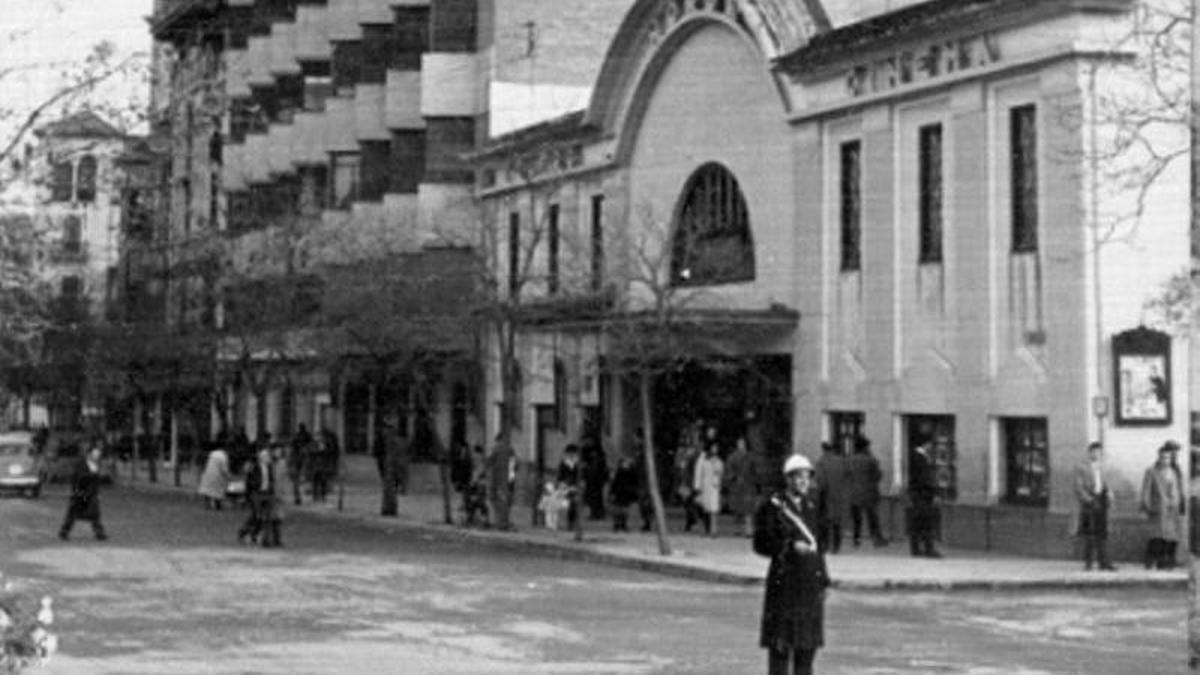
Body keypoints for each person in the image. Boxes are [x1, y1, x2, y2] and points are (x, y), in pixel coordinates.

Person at [753, 454, 829, 675]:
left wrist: (823, 580)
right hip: (784, 584)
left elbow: (819, 546)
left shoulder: (812, 505)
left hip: (809, 585)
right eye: (798, 477)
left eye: (806, 477)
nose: (803, 482)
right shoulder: (774, 506)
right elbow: (761, 543)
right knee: (781, 647)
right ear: (788, 479)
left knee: (807, 650)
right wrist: (788, 546)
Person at [1139, 440, 1185, 570]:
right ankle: (1152, 561)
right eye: (1163, 457)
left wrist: (1177, 503)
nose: (1165, 460)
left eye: (1168, 458)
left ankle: (1166, 562)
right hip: (1158, 508)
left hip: (1172, 509)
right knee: (1156, 536)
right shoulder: (1152, 471)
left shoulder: (1174, 471)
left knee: (1170, 536)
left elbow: (1177, 489)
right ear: (1158, 457)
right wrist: (1146, 506)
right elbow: (1145, 490)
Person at [1074, 441, 1115, 571]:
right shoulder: (1081, 467)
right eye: (1093, 452)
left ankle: (1104, 562)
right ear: (1089, 453)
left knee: (1103, 533)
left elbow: (1107, 483)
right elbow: (1078, 487)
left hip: (1102, 500)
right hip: (1090, 502)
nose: (1096, 455)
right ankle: (1089, 562)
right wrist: (1089, 500)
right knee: (1090, 533)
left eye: (1098, 452)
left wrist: (1109, 493)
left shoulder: (1103, 467)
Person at [59, 444, 108, 541]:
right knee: (72, 515)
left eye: (98, 455)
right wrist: (92, 474)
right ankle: (64, 532)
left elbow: (96, 483)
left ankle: (100, 533)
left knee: (95, 514)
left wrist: (97, 493)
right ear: (89, 454)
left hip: (92, 494)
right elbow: (79, 478)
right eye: (95, 454)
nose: (97, 457)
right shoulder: (81, 464)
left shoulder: (96, 465)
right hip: (80, 493)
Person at [847, 436, 888, 547]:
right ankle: (876, 539)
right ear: (865, 447)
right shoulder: (871, 460)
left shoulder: (850, 460)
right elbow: (878, 476)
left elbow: (847, 475)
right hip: (869, 493)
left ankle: (856, 539)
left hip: (854, 493)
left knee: (857, 519)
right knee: (872, 518)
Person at [238, 447, 282, 547]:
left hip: (267, 494)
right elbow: (248, 482)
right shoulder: (254, 468)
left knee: (270, 517)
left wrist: (272, 492)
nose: (268, 458)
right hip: (257, 494)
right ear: (261, 458)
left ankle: (270, 539)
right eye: (266, 456)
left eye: (268, 456)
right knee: (256, 517)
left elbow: (271, 480)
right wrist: (249, 495)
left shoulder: (270, 468)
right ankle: (244, 532)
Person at [907, 438, 942, 558]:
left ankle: (916, 549)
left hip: (918, 494)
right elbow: (925, 478)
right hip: (922, 495)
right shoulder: (919, 458)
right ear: (927, 444)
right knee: (926, 522)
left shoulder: (917, 457)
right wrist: (934, 492)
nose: (933, 449)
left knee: (918, 523)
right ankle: (928, 549)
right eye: (932, 446)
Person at [814, 442, 850, 554]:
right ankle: (836, 546)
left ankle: (824, 545)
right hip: (839, 495)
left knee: (823, 522)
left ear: (823, 450)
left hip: (826, 496)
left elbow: (820, 480)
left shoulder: (821, 462)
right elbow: (848, 475)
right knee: (836, 522)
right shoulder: (841, 461)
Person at [724, 437, 759, 537]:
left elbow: (755, 471)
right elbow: (728, 470)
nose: (741, 445)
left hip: (748, 486)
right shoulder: (732, 457)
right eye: (739, 443)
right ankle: (737, 530)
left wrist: (754, 481)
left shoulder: (751, 457)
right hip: (736, 486)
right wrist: (734, 477)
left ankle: (749, 531)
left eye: (742, 443)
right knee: (736, 510)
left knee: (748, 509)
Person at [694, 441, 725, 536]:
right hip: (705, 487)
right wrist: (697, 488)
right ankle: (703, 530)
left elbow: (721, 474)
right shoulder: (703, 460)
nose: (714, 450)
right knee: (704, 509)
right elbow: (698, 474)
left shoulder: (719, 461)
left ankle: (713, 530)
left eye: (716, 448)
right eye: (713, 448)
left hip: (714, 488)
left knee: (714, 510)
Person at [487, 434, 515, 530]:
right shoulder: (510, 450)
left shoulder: (496, 448)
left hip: (497, 478)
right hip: (508, 480)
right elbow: (515, 465)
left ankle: (499, 522)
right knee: (505, 501)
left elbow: (489, 461)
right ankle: (504, 522)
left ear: (498, 440)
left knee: (495, 499)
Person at [608, 453, 640, 532]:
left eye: (627, 463)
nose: (626, 464)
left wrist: (634, 492)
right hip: (619, 493)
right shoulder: (618, 473)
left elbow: (635, 483)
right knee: (617, 510)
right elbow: (614, 484)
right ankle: (617, 524)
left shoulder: (632, 473)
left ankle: (623, 524)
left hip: (627, 493)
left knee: (625, 510)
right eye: (624, 463)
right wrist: (612, 493)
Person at [556, 444, 584, 531]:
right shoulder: (564, 464)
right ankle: (565, 523)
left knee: (575, 505)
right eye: (570, 453)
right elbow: (560, 476)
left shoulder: (578, 464)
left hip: (575, 486)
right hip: (565, 487)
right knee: (565, 506)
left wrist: (581, 483)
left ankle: (572, 523)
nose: (572, 455)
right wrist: (562, 484)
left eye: (573, 454)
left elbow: (580, 475)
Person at [197, 445, 233, 510]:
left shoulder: (212, 454)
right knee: (218, 492)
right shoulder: (224, 457)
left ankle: (207, 505)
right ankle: (217, 506)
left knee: (207, 491)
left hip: (208, 473)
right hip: (217, 476)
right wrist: (229, 477)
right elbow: (224, 470)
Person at [582, 439, 608, 520]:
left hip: (597, 480)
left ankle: (599, 513)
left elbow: (603, 467)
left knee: (598, 498)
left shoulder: (600, 455)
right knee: (591, 498)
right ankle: (594, 513)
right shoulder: (586, 452)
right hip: (591, 480)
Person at [288, 425, 312, 506]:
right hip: (299, 461)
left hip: (300, 461)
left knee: (298, 481)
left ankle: (299, 497)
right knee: (298, 480)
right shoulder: (300, 437)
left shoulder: (298, 437)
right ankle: (298, 497)